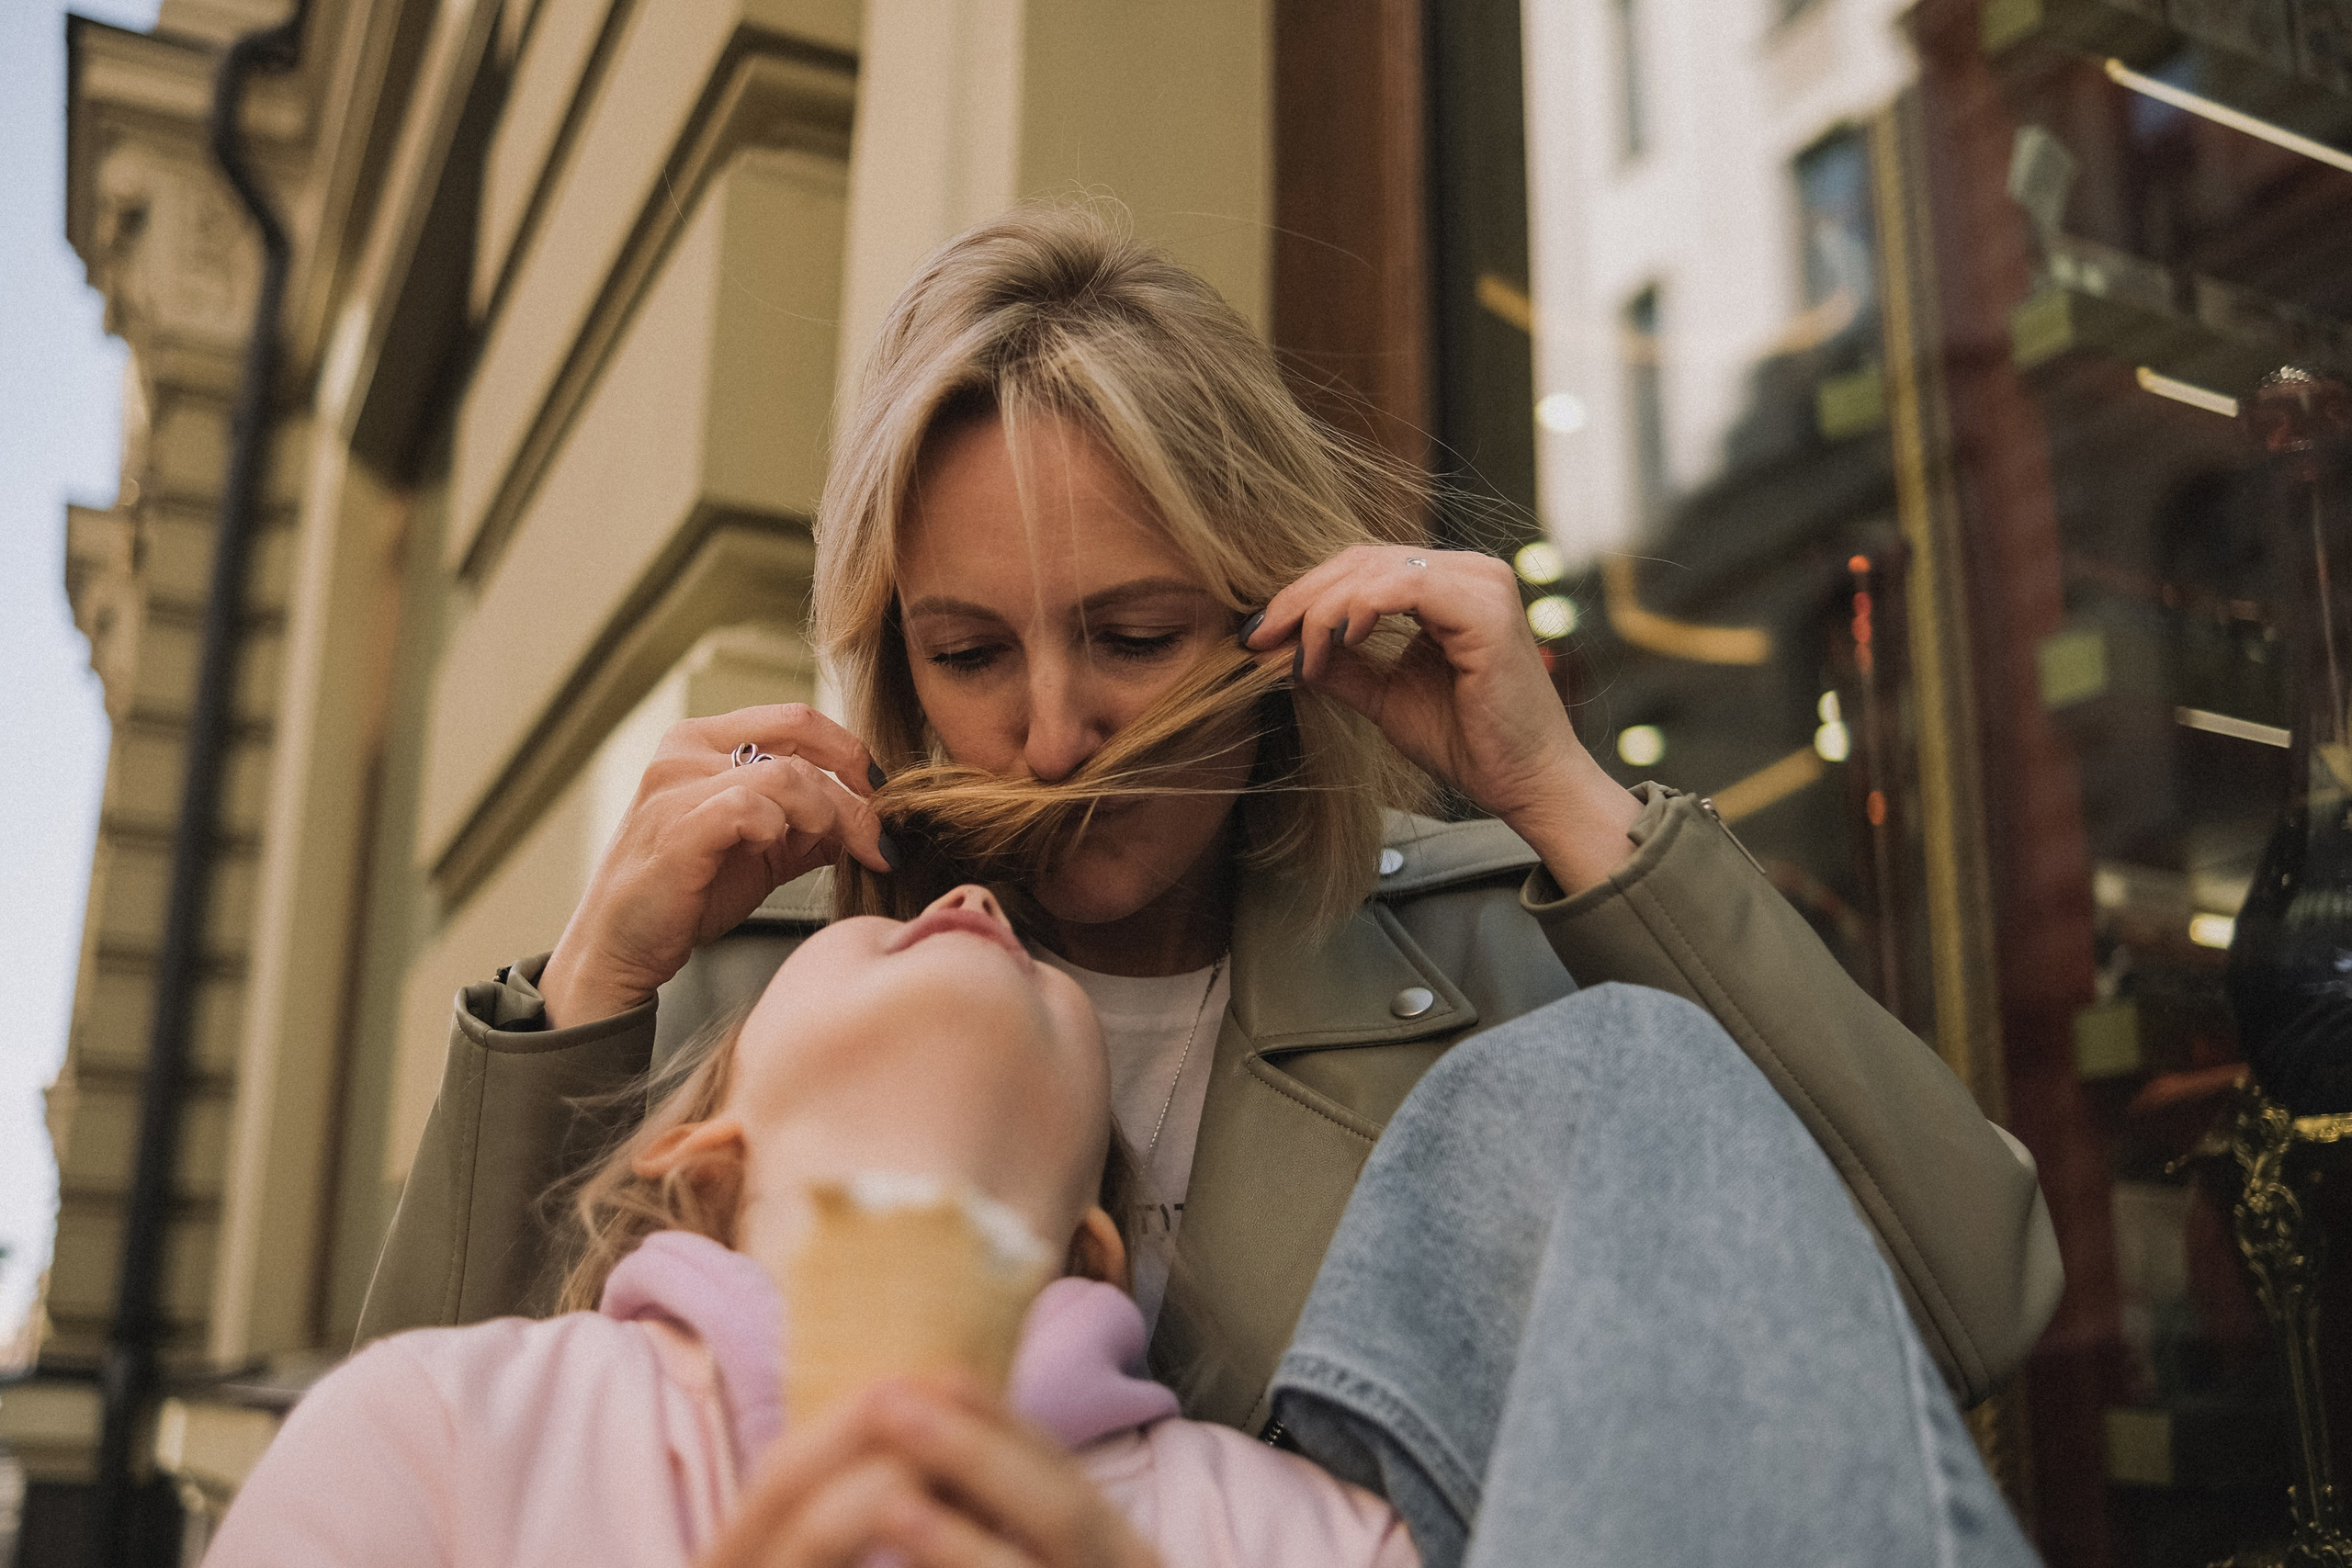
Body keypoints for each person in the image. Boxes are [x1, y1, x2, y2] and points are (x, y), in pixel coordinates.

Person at [358, 204, 2062, 1430]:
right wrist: (585, 987)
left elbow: (1963, 1302)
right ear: (889, 662)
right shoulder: (753, 1001)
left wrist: (1558, 794)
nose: (1047, 732)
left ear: (1273, 610)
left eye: (1132, 635)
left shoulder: (1489, 959)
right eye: (967, 653)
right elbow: (443, 1466)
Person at [209, 885, 1419, 1568]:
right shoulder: (442, 1424)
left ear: (1091, 1247)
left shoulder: (1311, 1538)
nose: (974, 901)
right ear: (707, 1160)